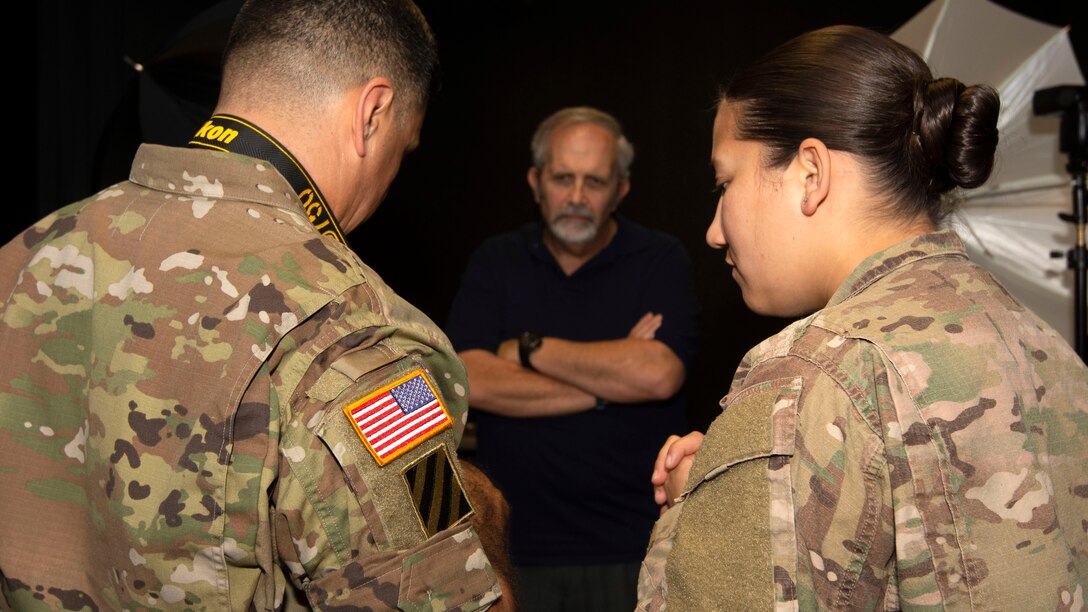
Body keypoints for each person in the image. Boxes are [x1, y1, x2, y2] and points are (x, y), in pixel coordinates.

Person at [0, 0, 511, 609]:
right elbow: (451, 597)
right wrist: (477, 513)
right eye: (405, 148)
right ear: (372, 113)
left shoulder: (25, 256)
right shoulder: (352, 333)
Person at [636, 24, 1088, 610]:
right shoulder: (1048, 347)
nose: (714, 231)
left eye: (726, 182)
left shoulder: (812, 374)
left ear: (810, 174)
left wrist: (688, 505)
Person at [445, 106, 701, 611]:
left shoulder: (659, 259)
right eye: (563, 179)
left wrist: (525, 350)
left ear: (621, 190)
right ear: (536, 181)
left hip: (634, 546)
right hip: (515, 550)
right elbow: (469, 378)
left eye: (595, 181)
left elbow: (659, 374)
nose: (578, 198)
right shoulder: (497, 261)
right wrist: (609, 382)